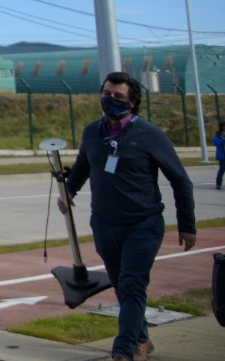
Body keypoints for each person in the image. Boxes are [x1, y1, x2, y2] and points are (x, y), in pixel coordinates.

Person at [58, 72, 195, 361]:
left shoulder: (149, 134)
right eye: (106, 94)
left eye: (118, 96)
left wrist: (187, 224)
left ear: (132, 103)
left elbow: (181, 180)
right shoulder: (92, 132)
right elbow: (82, 167)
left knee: (133, 284)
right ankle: (142, 339)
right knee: (122, 286)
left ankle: (124, 351)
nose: (110, 100)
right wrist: (69, 192)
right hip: (105, 224)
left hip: (142, 224)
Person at [214, 120, 224, 190]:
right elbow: (217, 143)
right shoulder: (218, 135)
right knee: (222, 170)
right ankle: (218, 184)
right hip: (223, 156)